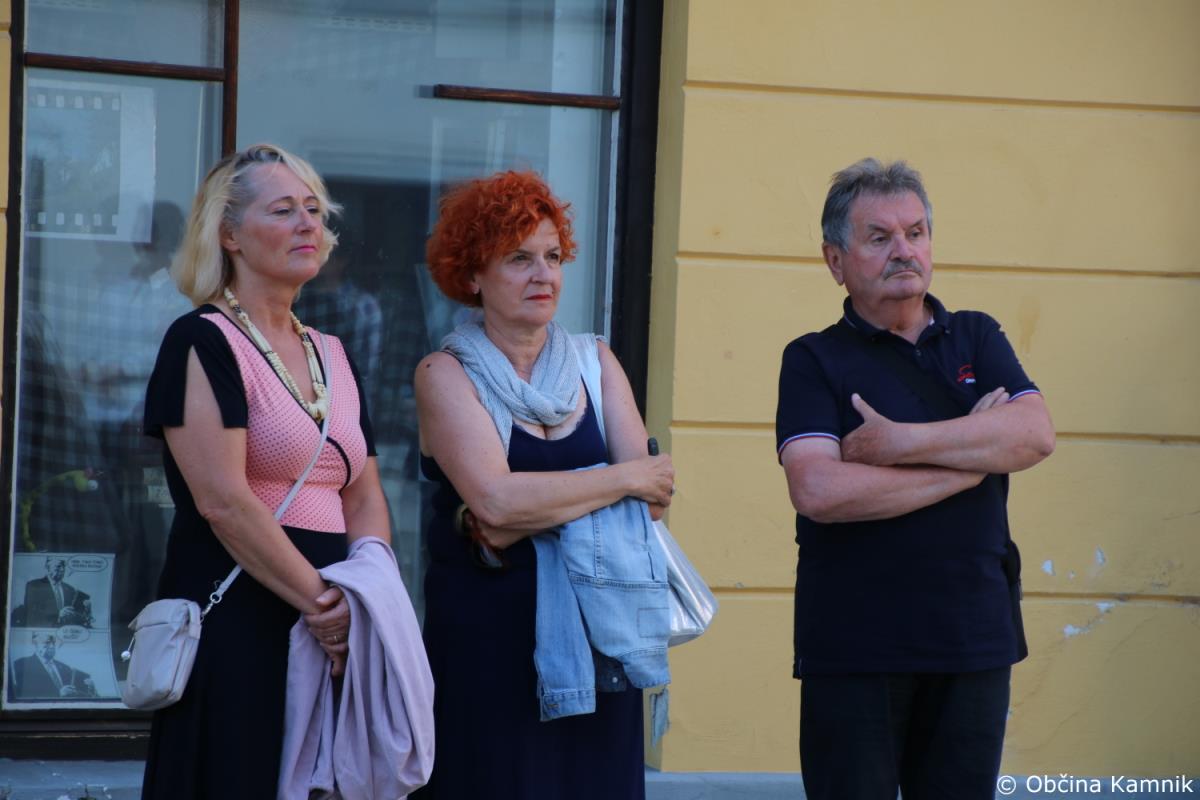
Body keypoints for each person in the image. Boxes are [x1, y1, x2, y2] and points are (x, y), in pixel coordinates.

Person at [775, 158, 1055, 800]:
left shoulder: (976, 336)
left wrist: (899, 443)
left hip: (973, 640)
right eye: (879, 237)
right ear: (835, 260)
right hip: (854, 646)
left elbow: (1034, 435)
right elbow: (818, 491)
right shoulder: (813, 359)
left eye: (916, 232)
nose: (904, 250)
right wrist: (971, 464)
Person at [140, 144, 392, 799]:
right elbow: (223, 500)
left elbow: (364, 491)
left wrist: (368, 594)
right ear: (229, 235)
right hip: (238, 616)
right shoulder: (201, 339)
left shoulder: (332, 351)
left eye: (314, 209)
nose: (308, 223)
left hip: (330, 621)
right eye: (283, 210)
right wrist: (321, 605)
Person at [412, 171, 674, 799]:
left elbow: (653, 504)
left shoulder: (596, 361)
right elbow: (496, 501)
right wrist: (620, 478)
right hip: (489, 645)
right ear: (473, 275)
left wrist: (521, 513)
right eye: (518, 258)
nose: (543, 275)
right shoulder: (445, 374)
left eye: (553, 257)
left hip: (600, 638)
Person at [9, 632, 97, 699]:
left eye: (53, 643)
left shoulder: (64, 667)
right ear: (35, 644)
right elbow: (25, 693)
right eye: (47, 643)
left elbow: (74, 691)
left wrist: (89, 689)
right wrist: (58, 694)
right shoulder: (22, 664)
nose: (52, 646)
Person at [22, 556, 93, 628]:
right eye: (58, 566)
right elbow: (30, 614)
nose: (62, 569)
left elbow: (74, 617)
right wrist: (57, 615)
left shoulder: (70, 589)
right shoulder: (34, 586)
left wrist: (85, 612)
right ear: (48, 568)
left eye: (63, 566)